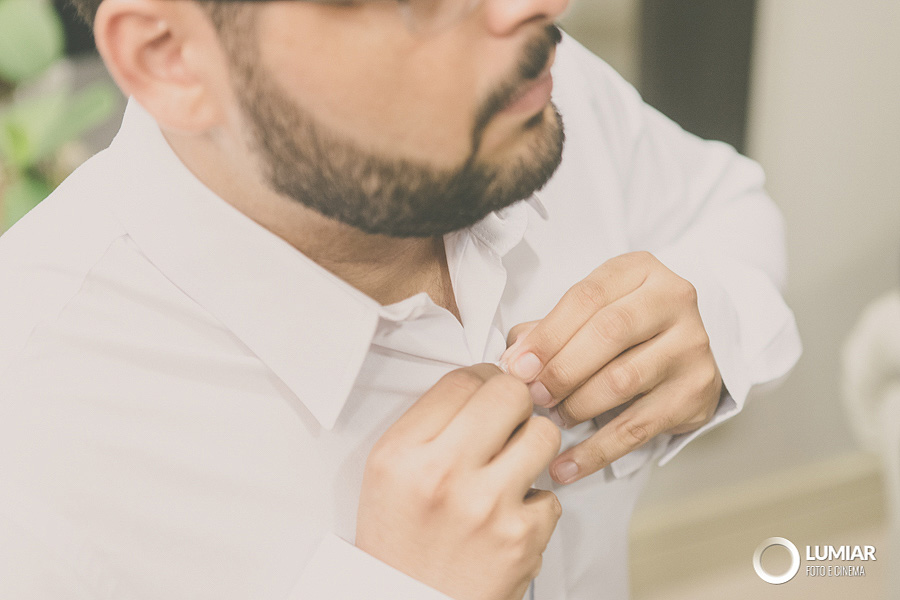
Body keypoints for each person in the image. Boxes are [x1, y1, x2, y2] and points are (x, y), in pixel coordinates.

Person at [0, 0, 801, 597]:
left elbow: (721, 203)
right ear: (171, 56)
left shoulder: (529, 92)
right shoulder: (29, 466)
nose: (543, 7)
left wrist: (716, 313)